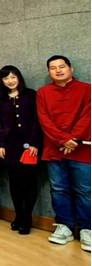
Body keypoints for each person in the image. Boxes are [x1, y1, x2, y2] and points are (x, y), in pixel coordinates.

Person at [36, 55, 91, 250]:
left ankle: (87, 228)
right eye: (53, 68)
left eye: (62, 66)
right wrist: (63, 139)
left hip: (81, 149)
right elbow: (44, 120)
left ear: (71, 69)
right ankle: (64, 226)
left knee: (85, 190)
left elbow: (88, 115)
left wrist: (73, 139)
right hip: (54, 149)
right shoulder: (43, 92)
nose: (58, 70)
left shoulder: (86, 89)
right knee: (58, 189)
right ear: (49, 72)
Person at [0, 65, 42, 236]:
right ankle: (19, 215)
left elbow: (37, 120)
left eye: (13, 77)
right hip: (10, 146)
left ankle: (27, 218)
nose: (10, 81)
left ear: (19, 78)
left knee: (29, 182)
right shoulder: (0, 98)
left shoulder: (31, 95)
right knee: (14, 183)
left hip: (30, 145)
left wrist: (35, 143)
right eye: (6, 78)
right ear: (2, 81)